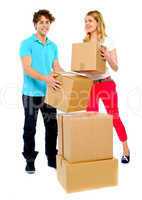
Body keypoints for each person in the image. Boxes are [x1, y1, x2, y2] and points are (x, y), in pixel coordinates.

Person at [82, 10, 130, 163]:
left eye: (90, 20)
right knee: (91, 120)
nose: (87, 24)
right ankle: (95, 152)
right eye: (85, 21)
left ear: (97, 23)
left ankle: (126, 150)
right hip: (90, 86)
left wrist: (107, 56)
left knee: (114, 117)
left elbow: (115, 67)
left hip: (106, 84)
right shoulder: (84, 43)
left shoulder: (107, 41)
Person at [19, 9, 64, 174]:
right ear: (35, 24)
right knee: (30, 128)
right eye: (41, 22)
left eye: (47, 22)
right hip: (31, 94)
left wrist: (70, 78)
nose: (44, 25)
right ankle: (29, 160)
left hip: (49, 94)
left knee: (52, 127)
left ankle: (52, 159)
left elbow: (57, 68)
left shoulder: (53, 46)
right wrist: (46, 78)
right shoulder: (27, 43)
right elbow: (27, 68)